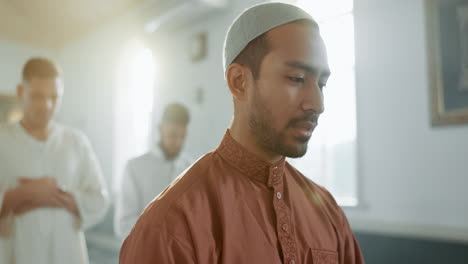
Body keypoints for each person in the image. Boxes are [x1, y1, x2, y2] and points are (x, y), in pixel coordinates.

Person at [120, 3, 364, 264]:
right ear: (239, 82)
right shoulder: (171, 226)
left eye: (322, 83)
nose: (317, 104)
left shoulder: (326, 211)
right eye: (296, 78)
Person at [0, 57, 109, 264]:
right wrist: (21, 195)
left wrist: (61, 196)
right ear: (20, 92)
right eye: (38, 96)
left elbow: (100, 199)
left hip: (67, 254)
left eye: (54, 97)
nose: (47, 106)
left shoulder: (77, 142)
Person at [114, 103, 192, 238]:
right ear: (160, 129)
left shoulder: (191, 167)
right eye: (173, 135)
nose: (178, 142)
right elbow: (124, 224)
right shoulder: (135, 167)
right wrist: (161, 235)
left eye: (182, 136)